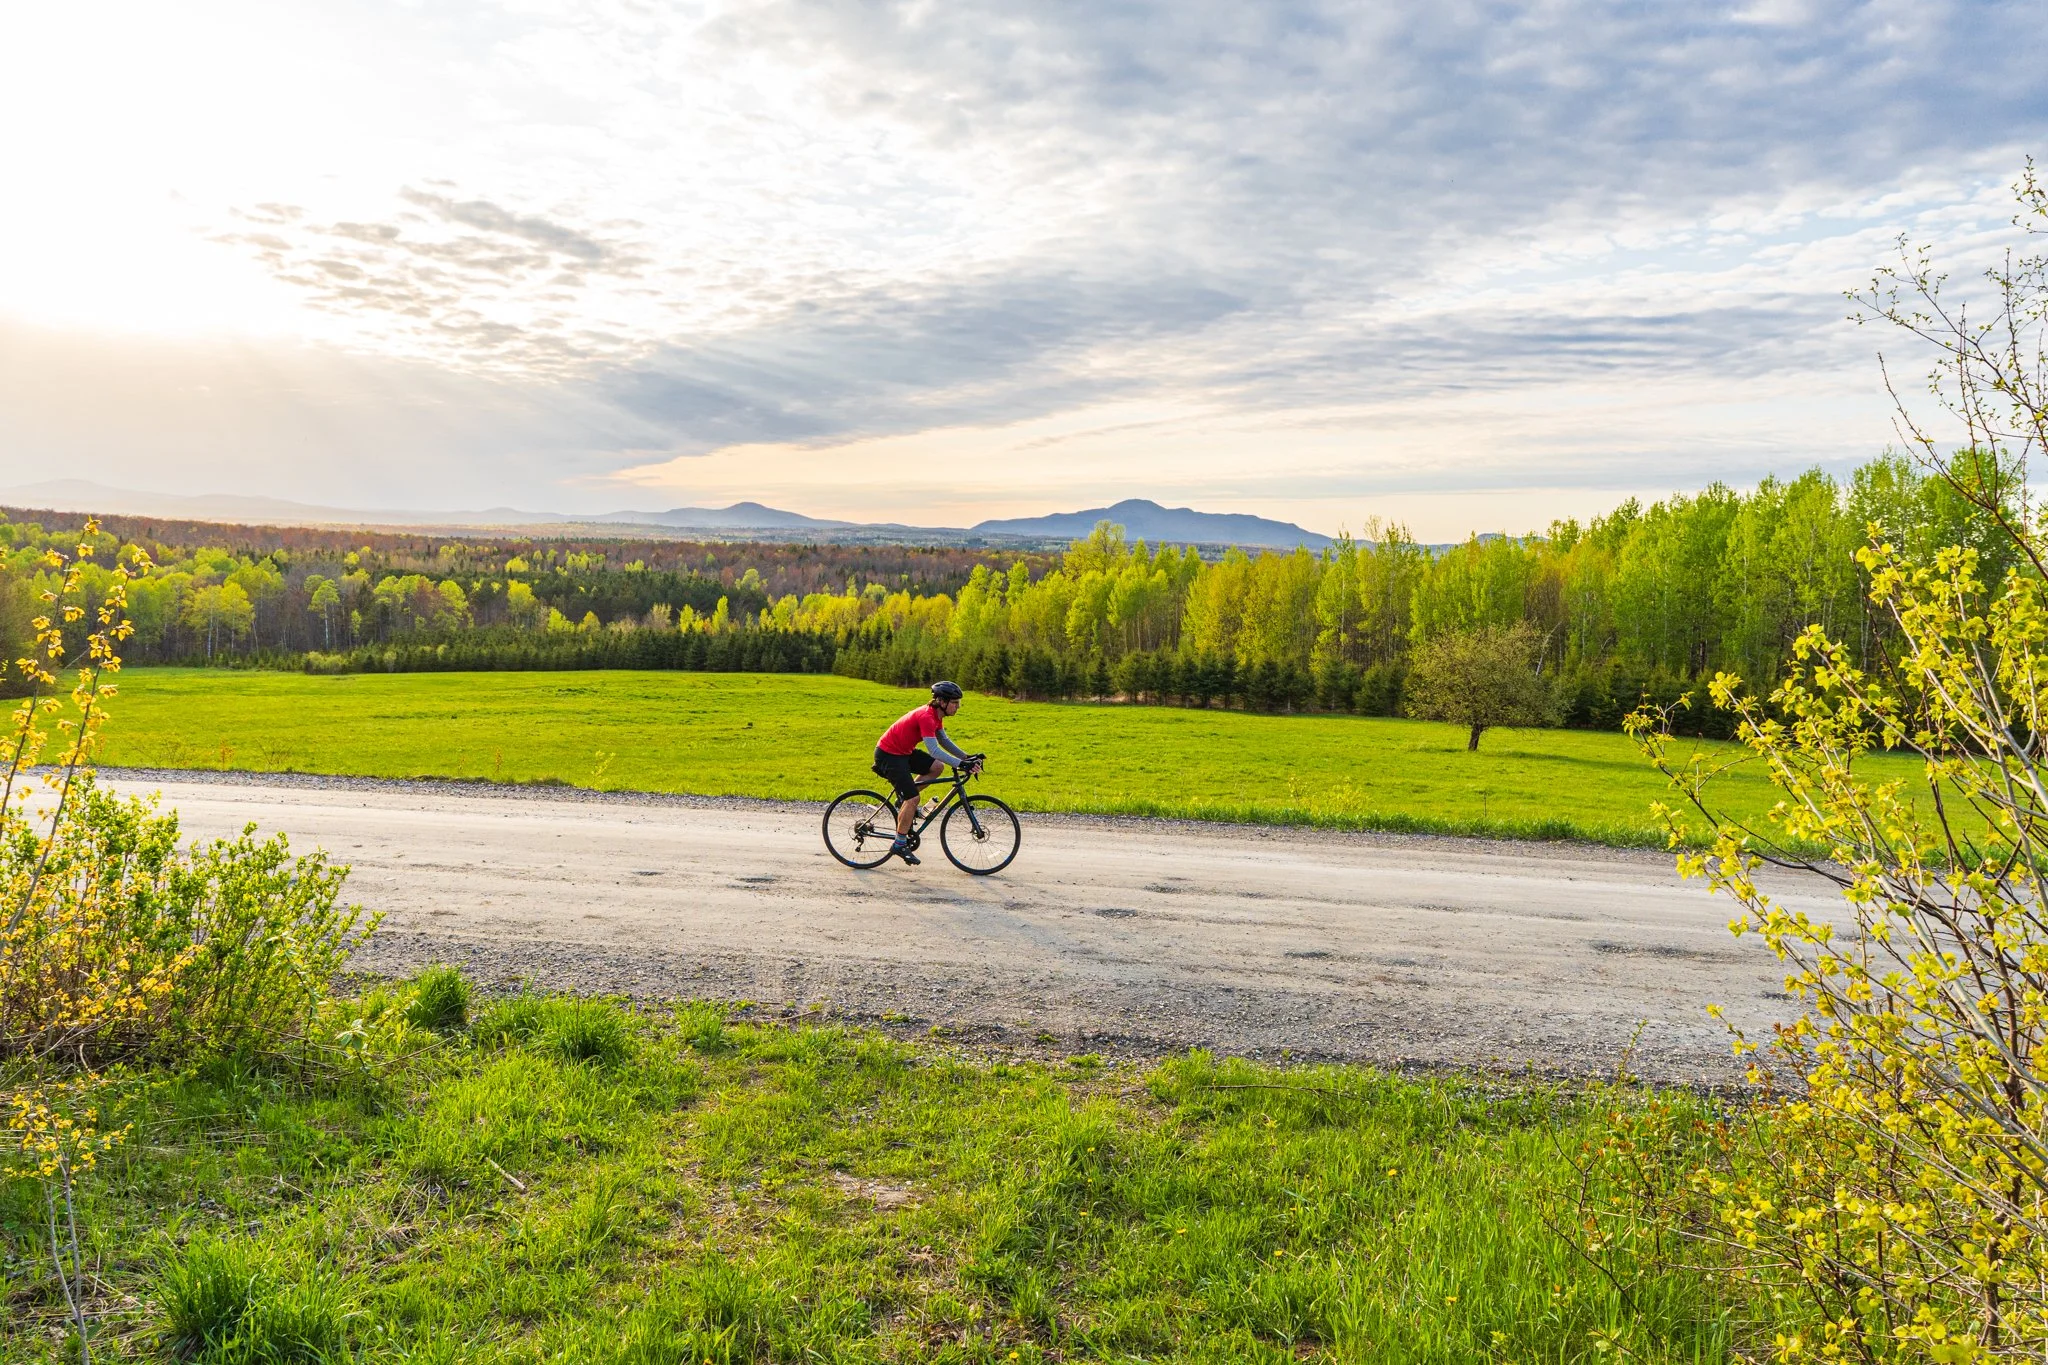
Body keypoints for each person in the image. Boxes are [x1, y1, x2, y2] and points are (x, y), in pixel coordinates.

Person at [873, 680, 980, 865]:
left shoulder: (937, 716)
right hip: (889, 755)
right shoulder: (926, 716)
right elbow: (935, 751)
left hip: (903, 752)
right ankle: (899, 844)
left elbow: (944, 741)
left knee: (937, 767)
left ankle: (903, 800)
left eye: (958, 703)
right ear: (942, 702)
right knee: (913, 799)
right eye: (955, 703)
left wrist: (967, 757)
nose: (958, 707)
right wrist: (962, 765)